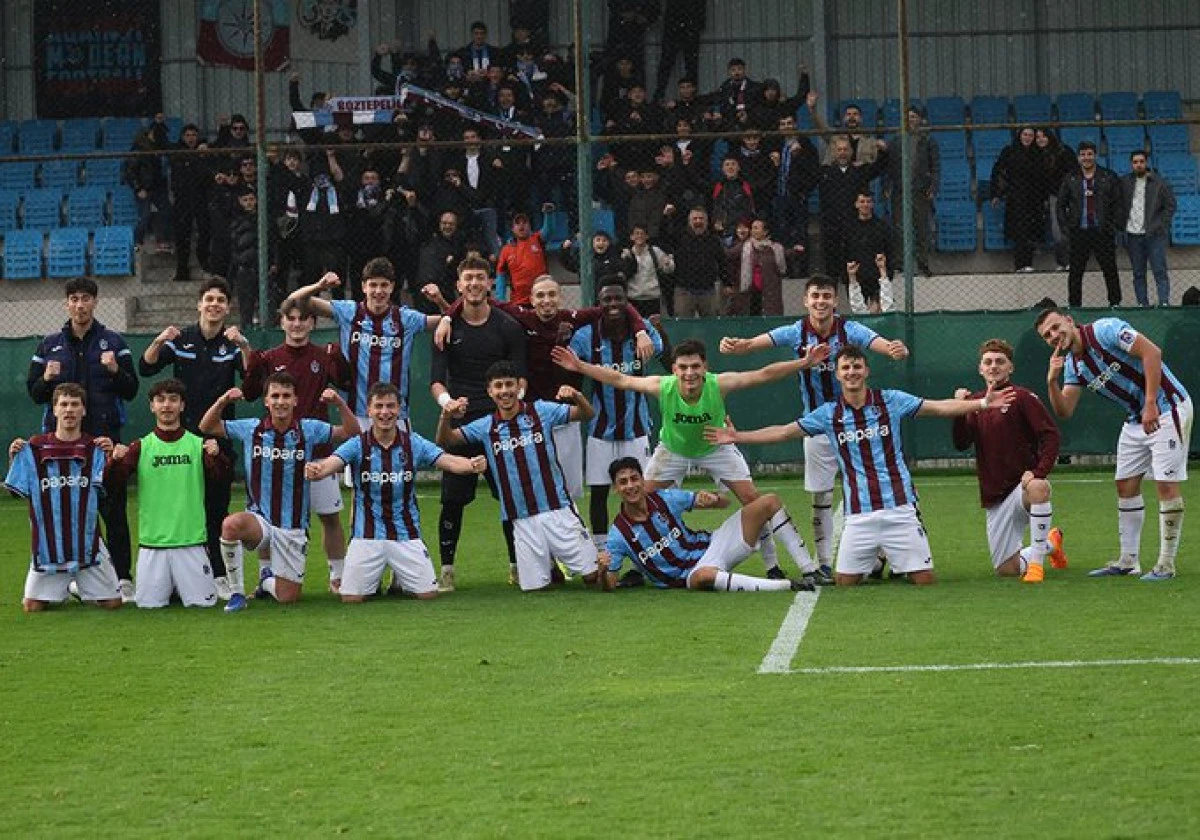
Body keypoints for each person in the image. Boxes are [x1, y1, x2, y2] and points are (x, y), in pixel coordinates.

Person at [705, 345, 1016, 586]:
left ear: (866, 370)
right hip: (859, 514)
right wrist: (738, 436)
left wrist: (982, 403)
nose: (852, 372)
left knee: (924, 580)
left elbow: (938, 407)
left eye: (856, 366)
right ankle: (878, 558)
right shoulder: (828, 414)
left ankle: (889, 555)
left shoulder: (890, 400)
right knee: (845, 582)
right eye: (846, 368)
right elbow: (785, 431)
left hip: (899, 507)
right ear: (838, 375)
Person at [552, 338, 828, 582]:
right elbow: (621, 380)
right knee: (640, 498)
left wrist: (804, 363)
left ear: (705, 367)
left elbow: (763, 375)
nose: (689, 373)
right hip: (673, 450)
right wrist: (580, 366)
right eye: (683, 367)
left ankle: (775, 566)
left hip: (715, 447)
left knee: (752, 500)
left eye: (695, 366)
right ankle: (637, 566)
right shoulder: (663, 386)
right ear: (674, 369)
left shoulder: (719, 384)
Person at [718, 275, 909, 574]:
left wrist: (895, 349)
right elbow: (754, 343)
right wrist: (735, 345)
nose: (821, 301)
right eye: (815, 296)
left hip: (855, 425)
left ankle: (882, 554)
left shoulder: (850, 330)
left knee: (872, 489)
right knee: (821, 497)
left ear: (835, 301)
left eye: (826, 296)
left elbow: (882, 344)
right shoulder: (796, 331)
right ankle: (824, 563)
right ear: (806, 301)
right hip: (818, 426)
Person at [433, 274, 654, 502]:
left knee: (570, 489)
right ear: (531, 299)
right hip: (531, 417)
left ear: (560, 297)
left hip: (565, 414)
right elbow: (475, 298)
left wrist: (640, 331)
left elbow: (617, 306)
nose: (546, 300)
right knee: (534, 486)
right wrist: (447, 317)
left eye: (551, 294)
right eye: (540, 295)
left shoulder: (573, 318)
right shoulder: (523, 317)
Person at [1035, 309, 1190, 581]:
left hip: (1166, 406)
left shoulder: (1104, 330)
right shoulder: (1073, 365)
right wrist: (1051, 381)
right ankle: (1128, 561)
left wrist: (1151, 403)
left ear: (1069, 321)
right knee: (1125, 485)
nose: (1054, 336)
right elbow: (1065, 410)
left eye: (1056, 327)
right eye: (1047, 335)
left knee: (1166, 485)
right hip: (1135, 418)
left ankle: (1166, 564)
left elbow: (1152, 352)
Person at [304, 383, 488, 603]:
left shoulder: (413, 443)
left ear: (399, 409)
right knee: (351, 598)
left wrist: (471, 464)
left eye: (390, 406)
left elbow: (447, 461)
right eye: (379, 406)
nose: (385, 412)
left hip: (405, 534)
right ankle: (377, 577)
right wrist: (317, 469)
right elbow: (331, 463)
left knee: (427, 594)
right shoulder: (357, 444)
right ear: (369, 410)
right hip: (367, 535)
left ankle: (400, 577)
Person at [435, 361, 602, 591]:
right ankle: (550, 564)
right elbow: (445, 440)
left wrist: (576, 396)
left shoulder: (541, 411)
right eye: (498, 386)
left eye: (509, 385)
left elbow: (587, 414)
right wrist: (446, 415)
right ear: (490, 391)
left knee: (593, 577)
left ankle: (560, 557)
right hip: (521, 518)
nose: (504, 391)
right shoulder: (486, 426)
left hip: (557, 508)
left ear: (518, 387)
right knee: (535, 587)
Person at [199, 373, 358, 610]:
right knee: (231, 525)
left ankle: (266, 581)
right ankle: (236, 594)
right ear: (266, 401)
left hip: (292, 525)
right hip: (260, 520)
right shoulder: (251, 428)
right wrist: (223, 401)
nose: (280, 401)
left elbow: (351, 431)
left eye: (286, 396)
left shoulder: (309, 429)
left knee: (288, 597)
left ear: (295, 400)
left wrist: (339, 403)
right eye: (275, 396)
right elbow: (207, 426)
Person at [27, 278, 138, 602]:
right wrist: (46, 378)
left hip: (103, 444)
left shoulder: (113, 342)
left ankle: (123, 578)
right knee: (63, 513)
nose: (80, 305)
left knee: (113, 512)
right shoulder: (49, 345)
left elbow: (131, 389)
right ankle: (65, 578)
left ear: (95, 302)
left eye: (85, 298)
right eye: (74, 299)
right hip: (60, 449)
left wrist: (115, 370)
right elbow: (35, 393)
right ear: (67, 304)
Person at [139, 278, 250, 600]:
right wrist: (159, 340)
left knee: (216, 509)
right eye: (209, 299)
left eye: (220, 300)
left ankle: (219, 575)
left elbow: (252, 381)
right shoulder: (182, 339)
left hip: (217, 439)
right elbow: (146, 367)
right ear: (199, 304)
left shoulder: (232, 343)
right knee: (182, 508)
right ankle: (177, 577)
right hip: (182, 439)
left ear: (227, 308)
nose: (214, 305)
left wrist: (244, 346)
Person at [430, 257, 529, 590]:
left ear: (490, 284)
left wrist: (512, 407)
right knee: (452, 500)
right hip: (462, 427)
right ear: (459, 285)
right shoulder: (446, 329)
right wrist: (448, 404)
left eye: (480, 277)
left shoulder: (508, 326)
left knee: (512, 498)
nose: (473, 283)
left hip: (501, 426)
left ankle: (518, 566)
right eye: (468, 278)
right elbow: (436, 381)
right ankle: (447, 571)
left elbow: (521, 377)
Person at [242, 300, 352, 592]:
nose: (297, 324)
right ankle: (265, 576)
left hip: (317, 454)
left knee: (330, 517)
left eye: (303, 319)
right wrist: (251, 363)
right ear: (282, 322)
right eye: (291, 318)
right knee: (268, 519)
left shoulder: (323, 355)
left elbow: (346, 382)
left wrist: (339, 359)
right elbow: (250, 393)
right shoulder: (270, 357)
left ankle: (338, 576)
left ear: (312, 323)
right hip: (276, 455)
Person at [600, 458, 816, 592]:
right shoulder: (619, 534)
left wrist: (713, 499)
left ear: (643, 481)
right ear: (615, 489)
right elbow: (610, 583)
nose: (630, 486)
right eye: (623, 482)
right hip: (691, 576)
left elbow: (724, 503)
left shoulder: (664, 498)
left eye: (634, 478)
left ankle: (809, 571)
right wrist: (603, 570)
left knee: (769, 502)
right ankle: (786, 585)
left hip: (714, 545)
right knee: (703, 576)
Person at [951, 339, 1066, 583]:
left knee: (1039, 486)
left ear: (1010, 367)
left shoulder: (1022, 397)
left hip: (1022, 488)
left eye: (1000, 362)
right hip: (995, 496)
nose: (993, 366)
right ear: (980, 368)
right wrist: (961, 410)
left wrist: (1038, 471)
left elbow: (1051, 435)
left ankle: (1036, 566)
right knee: (1006, 569)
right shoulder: (976, 402)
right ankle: (1050, 544)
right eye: (988, 362)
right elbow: (961, 443)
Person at [568, 282, 670, 558]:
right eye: (607, 299)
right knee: (600, 492)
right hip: (600, 430)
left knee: (643, 491)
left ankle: (650, 550)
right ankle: (602, 553)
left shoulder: (642, 332)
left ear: (628, 303)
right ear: (598, 304)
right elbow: (567, 365)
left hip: (636, 428)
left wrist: (656, 330)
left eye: (618, 299)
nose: (613, 304)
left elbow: (667, 357)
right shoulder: (586, 336)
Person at [107, 380, 228, 608]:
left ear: (182, 405)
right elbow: (112, 484)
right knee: (148, 606)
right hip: (153, 545)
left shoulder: (199, 445)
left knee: (203, 605)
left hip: (192, 543)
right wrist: (114, 462)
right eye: (160, 400)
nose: (166, 405)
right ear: (152, 406)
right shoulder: (140, 447)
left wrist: (217, 457)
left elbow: (221, 480)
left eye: (173, 400)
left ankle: (178, 586)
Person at [283, 258, 445, 425]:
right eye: (373, 285)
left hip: (396, 416)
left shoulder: (406, 319)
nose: (378, 291)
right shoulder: (348, 312)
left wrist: (440, 301)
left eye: (384, 285)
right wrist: (319, 286)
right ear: (363, 287)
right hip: (356, 415)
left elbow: (452, 320)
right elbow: (293, 301)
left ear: (392, 287)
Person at [5, 384, 122, 612]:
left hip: (87, 541)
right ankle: (65, 586)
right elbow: (14, 492)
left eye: (75, 404)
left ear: (83, 410)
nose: (69, 410)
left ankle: (77, 587)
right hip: (49, 543)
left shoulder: (94, 447)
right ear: (54, 410)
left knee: (112, 604)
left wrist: (111, 458)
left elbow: (110, 488)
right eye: (64, 404)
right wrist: (14, 460)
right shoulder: (35, 447)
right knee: (32, 607)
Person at [1056, 141, 1125, 307]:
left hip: (1102, 232)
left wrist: (1113, 226)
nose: (1086, 158)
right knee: (1075, 272)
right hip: (1079, 232)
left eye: (1089, 154)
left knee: (1110, 269)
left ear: (1095, 155)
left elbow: (1119, 203)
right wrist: (1067, 228)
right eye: (1083, 154)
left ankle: (1115, 304)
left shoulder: (1108, 176)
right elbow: (1060, 205)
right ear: (1078, 157)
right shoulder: (1071, 177)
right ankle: (1075, 306)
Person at [1119, 150, 1177, 307]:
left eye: (1141, 161)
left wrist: (1161, 224)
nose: (1138, 165)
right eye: (1135, 162)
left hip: (1154, 234)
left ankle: (1164, 302)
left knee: (1159, 270)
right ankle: (1142, 304)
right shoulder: (1124, 182)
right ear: (1131, 164)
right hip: (1132, 234)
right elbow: (1118, 204)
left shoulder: (1159, 183)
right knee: (1138, 272)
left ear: (1146, 163)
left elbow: (1170, 205)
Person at [885, 106, 937, 277]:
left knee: (921, 228)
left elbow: (935, 166)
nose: (910, 120)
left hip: (920, 191)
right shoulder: (895, 141)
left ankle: (923, 263)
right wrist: (887, 186)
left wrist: (933, 187)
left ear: (920, 119)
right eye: (907, 117)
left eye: (914, 116)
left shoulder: (927, 141)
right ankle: (900, 264)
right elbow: (888, 166)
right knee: (899, 228)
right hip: (899, 191)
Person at [990, 127, 1044, 273]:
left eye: (1031, 135)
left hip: (1034, 198)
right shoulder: (1009, 151)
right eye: (1025, 134)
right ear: (1020, 135)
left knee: (1031, 231)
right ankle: (1020, 264)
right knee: (1019, 231)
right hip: (1016, 197)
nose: (1027, 138)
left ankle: (1028, 263)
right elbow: (999, 171)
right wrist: (996, 194)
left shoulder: (1038, 153)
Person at [670, 208, 728, 317]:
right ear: (689, 221)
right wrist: (667, 218)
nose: (698, 221)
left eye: (701, 218)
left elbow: (722, 262)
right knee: (683, 324)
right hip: (684, 290)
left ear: (706, 221)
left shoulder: (713, 240)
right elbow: (664, 236)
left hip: (708, 290)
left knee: (711, 323)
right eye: (695, 218)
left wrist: (727, 282)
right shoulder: (680, 239)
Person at [844, 190, 893, 312]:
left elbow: (889, 251)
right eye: (862, 201)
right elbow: (843, 252)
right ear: (856, 204)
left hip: (876, 277)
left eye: (868, 201)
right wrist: (847, 277)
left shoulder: (882, 227)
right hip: (857, 277)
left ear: (872, 204)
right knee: (858, 311)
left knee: (877, 312)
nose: (865, 204)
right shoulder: (848, 228)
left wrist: (887, 274)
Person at [728, 217, 786, 316]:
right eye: (752, 228)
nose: (753, 231)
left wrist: (796, 250)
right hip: (750, 290)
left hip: (769, 290)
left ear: (765, 232)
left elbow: (785, 259)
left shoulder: (775, 248)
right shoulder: (744, 246)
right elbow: (728, 255)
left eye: (756, 228)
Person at [652, 0, 706, 102]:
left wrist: (698, 23)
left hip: (685, 24)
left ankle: (691, 97)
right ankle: (659, 95)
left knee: (689, 63)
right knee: (669, 62)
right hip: (679, 24)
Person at [495, 211, 552, 305]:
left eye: (524, 222)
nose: (521, 225)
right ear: (512, 229)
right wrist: (500, 300)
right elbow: (501, 276)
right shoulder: (506, 250)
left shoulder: (538, 239)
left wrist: (548, 214)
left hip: (541, 298)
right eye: (517, 223)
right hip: (519, 301)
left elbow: (548, 231)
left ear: (530, 226)